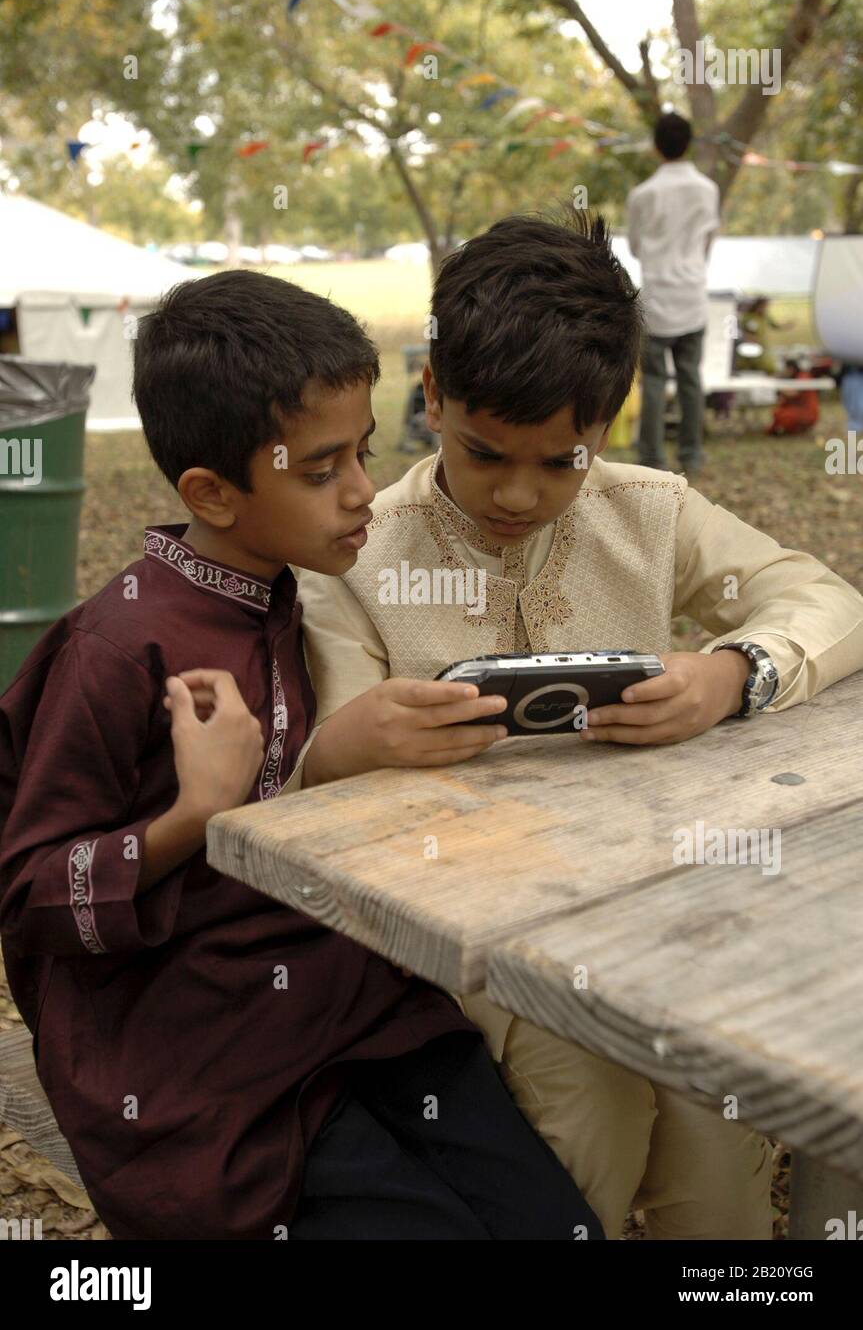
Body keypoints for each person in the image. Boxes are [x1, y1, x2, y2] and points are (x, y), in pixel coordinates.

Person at [290, 211, 863, 1240]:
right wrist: (362, 740)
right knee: (582, 1125)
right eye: (484, 453)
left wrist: (733, 672)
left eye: (562, 461)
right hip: (462, 932)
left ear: (607, 421)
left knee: (712, 1144)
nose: (519, 492)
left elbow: (825, 601)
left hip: (655, 906)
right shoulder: (357, 550)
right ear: (429, 392)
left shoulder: (645, 511)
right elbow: (319, 769)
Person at [0, 271, 603, 1242]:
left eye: (363, 453)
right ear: (211, 492)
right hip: (203, 1058)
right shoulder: (116, 650)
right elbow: (27, 892)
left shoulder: (284, 594)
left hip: (354, 1005)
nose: (363, 490)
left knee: (551, 1222)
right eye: (322, 471)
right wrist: (189, 820)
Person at [627, 111, 721, 475]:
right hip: (693, 295)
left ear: (655, 147)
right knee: (691, 378)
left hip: (656, 298)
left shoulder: (643, 195)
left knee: (652, 379)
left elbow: (635, 247)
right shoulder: (707, 190)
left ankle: (652, 455)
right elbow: (707, 241)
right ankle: (692, 454)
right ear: (690, 144)